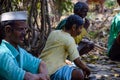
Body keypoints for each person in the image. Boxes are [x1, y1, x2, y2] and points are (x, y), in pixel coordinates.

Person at [0, 11, 50, 80]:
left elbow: (41, 64)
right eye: (20, 29)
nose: (24, 33)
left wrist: (43, 76)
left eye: (25, 29)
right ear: (8, 30)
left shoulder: (19, 51)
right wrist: (42, 76)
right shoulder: (3, 54)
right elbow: (26, 77)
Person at [39, 14, 91, 80]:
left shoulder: (54, 33)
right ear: (74, 27)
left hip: (40, 67)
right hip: (52, 71)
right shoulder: (69, 39)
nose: (81, 31)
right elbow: (77, 61)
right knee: (79, 74)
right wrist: (87, 69)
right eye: (80, 28)